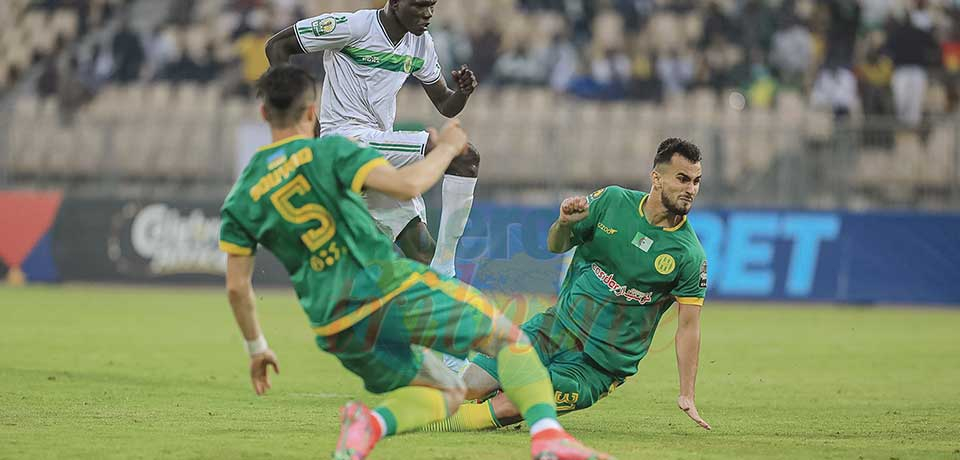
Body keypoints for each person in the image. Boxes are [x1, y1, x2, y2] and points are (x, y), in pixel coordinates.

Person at [219, 64, 613, 460]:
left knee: (449, 392)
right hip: (387, 288)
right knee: (509, 340)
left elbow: (237, 287)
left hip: (335, 323)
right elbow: (409, 185)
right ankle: (548, 439)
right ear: (311, 113)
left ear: (264, 113)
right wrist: (446, 146)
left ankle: (368, 425)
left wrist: (257, 348)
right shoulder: (333, 151)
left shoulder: (242, 195)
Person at [423, 139, 712, 433]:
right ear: (656, 178)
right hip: (553, 329)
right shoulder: (612, 202)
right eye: (682, 179)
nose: (691, 189)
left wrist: (686, 392)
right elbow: (555, 245)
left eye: (696, 181)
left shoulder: (688, 255)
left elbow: (688, 327)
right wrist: (563, 223)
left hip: (596, 367)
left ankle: (420, 425)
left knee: (503, 407)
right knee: (466, 387)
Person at [264, 0, 479, 283]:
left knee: (423, 257)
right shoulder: (353, 27)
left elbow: (445, 104)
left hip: (375, 152)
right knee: (462, 155)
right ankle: (446, 268)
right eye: (418, 6)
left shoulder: (420, 44)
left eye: (431, 6)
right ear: (395, 3)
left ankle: (436, 291)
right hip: (344, 141)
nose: (427, 14)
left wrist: (462, 93)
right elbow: (277, 47)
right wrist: (302, 123)